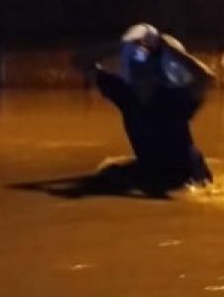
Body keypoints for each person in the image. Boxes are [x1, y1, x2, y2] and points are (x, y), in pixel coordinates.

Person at [77, 23, 215, 195]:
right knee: (107, 174)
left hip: (185, 175)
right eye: (136, 66)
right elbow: (80, 61)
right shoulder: (125, 93)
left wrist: (174, 51)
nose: (141, 73)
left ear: (158, 70)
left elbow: (206, 79)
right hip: (150, 168)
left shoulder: (174, 97)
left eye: (148, 68)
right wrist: (122, 45)